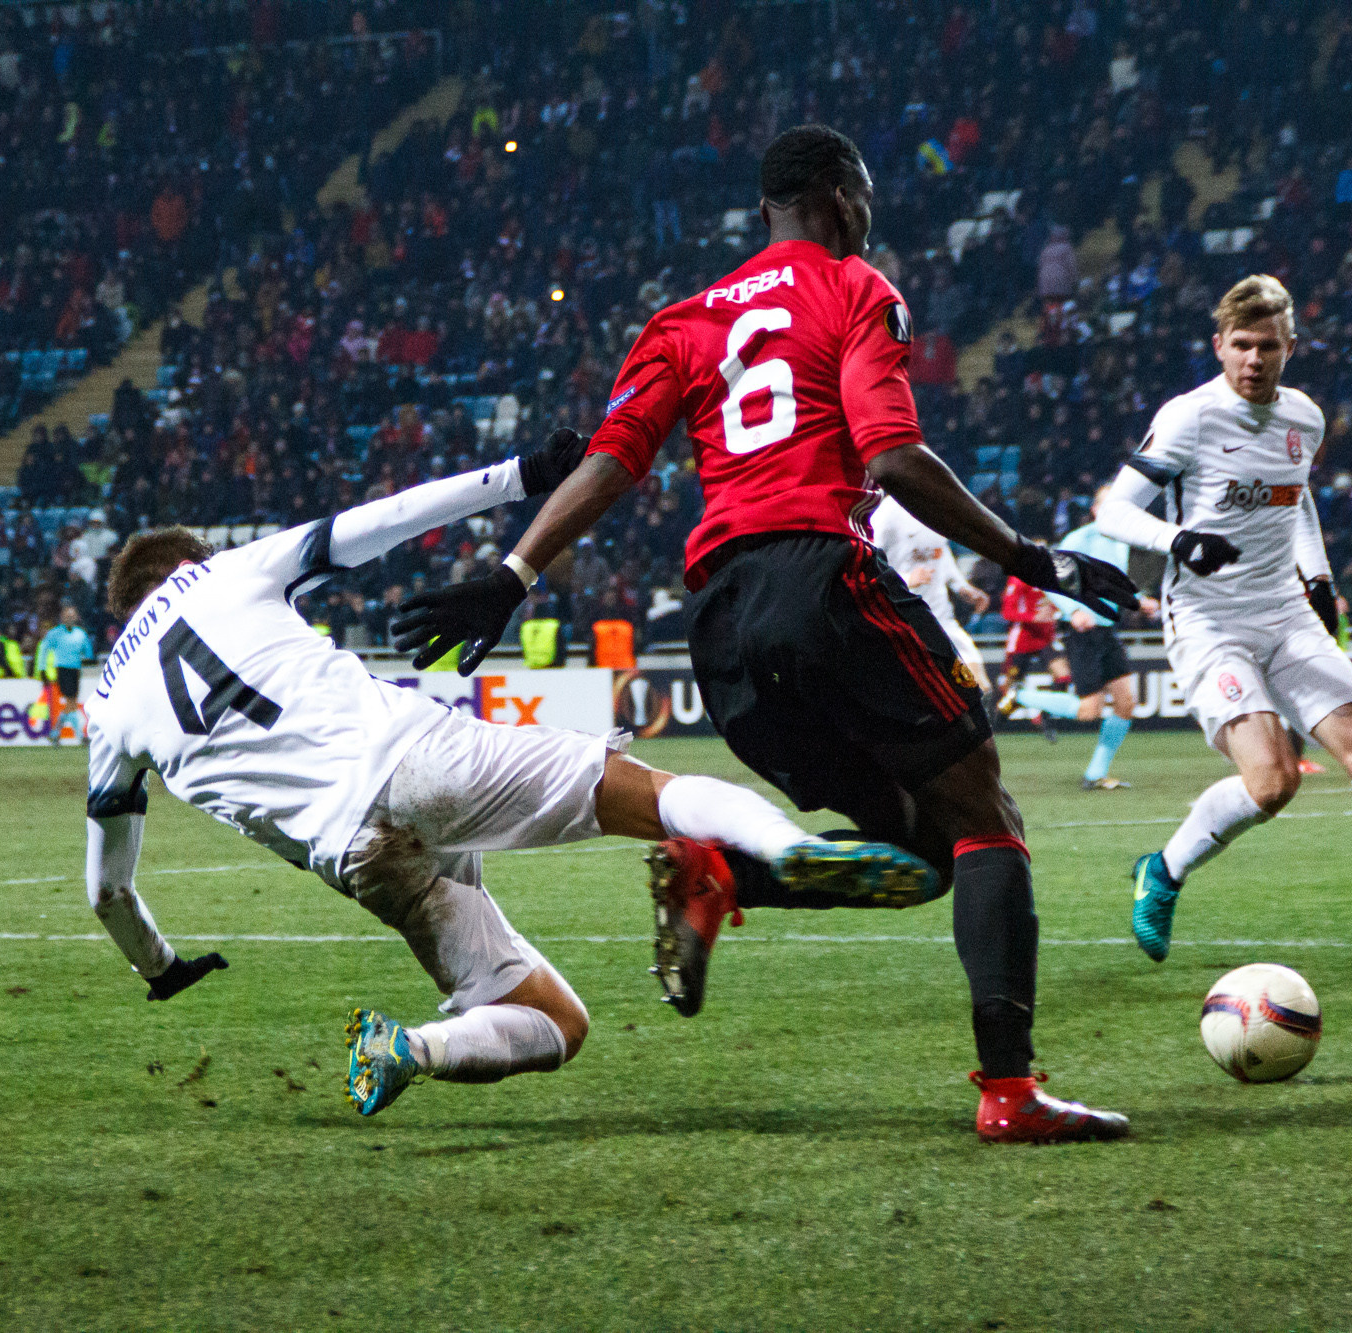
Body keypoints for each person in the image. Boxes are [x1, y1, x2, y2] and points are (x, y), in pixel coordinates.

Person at [391, 124, 1139, 1143]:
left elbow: (614, 458)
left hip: (721, 631)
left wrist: (510, 573)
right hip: (821, 582)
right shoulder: (854, 287)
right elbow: (892, 457)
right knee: (986, 819)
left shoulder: (682, 320)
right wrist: (1033, 558)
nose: (867, 217)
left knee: (923, 855)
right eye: (864, 198)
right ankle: (1010, 1093)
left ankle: (725, 872)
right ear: (840, 194)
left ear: (762, 212)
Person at [82, 436, 934, 1120]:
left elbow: (108, 890)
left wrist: (161, 966)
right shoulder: (223, 572)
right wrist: (518, 476)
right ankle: (786, 850)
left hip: (354, 855)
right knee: (644, 792)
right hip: (411, 763)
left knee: (558, 1023)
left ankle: (409, 1047)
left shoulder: (108, 709)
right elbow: (378, 522)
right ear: (188, 562)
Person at [1093, 274, 1352, 972]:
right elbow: (1113, 510)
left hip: (1284, 611)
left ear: (1291, 347)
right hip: (1208, 621)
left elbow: (1297, 497)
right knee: (1274, 782)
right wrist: (1178, 540)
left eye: (1268, 346)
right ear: (1219, 347)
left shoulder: (1304, 418)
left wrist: (1320, 579)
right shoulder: (1191, 417)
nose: (1254, 359)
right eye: (1241, 345)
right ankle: (1162, 869)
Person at [994, 489, 1160, 789]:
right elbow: (1049, 581)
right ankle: (1019, 696)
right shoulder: (1078, 539)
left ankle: (1095, 775)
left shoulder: (1120, 540)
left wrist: (1137, 600)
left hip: (1106, 629)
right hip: (1082, 632)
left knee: (1126, 703)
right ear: (1095, 510)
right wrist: (1073, 611)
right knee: (1088, 711)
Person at [870, 494, 993, 688]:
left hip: (940, 616)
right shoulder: (887, 513)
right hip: (903, 618)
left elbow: (941, 552)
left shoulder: (936, 504)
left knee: (979, 685)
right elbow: (867, 557)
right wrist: (906, 578)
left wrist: (961, 586)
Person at [994, 575, 1068, 742]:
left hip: (1046, 638)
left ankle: (1044, 717)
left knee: (1063, 677)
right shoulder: (1019, 579)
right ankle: (994, 725)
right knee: (1009, 689)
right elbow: (1007, 612)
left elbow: (1059, 604)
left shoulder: (1051, 578)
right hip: (1023, 638)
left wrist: (1059, 612)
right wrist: (1033, 617)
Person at [38, 604, 95, 743]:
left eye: (72, 616)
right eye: (67, 616)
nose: (70, 618)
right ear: (62, 617)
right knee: (70, 701)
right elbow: (44, 649)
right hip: (62, 669)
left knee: (72, 703)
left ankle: (55, 733)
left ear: (76, 617)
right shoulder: (55, 633)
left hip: (76, 670)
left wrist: (89, 657)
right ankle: (79, 736)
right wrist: (42, 668)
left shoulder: (80, 634)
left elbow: (88, 652)